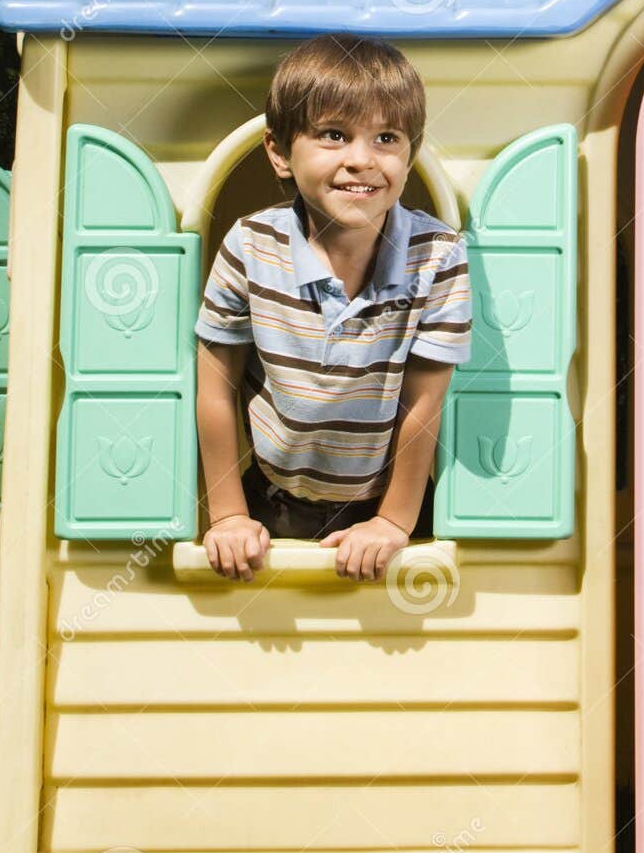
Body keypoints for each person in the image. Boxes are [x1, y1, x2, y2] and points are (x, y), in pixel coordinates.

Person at [194, 33, 470, 583]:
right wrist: (227, 514)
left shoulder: (437, 256)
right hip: (273, 497)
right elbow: (214, 387)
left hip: (390, 497)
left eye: (386, 137)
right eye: (334, 135)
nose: (361, 160)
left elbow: (424, 404)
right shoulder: (249, 246)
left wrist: (393, 520)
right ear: (279, 153)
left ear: (410, 152)